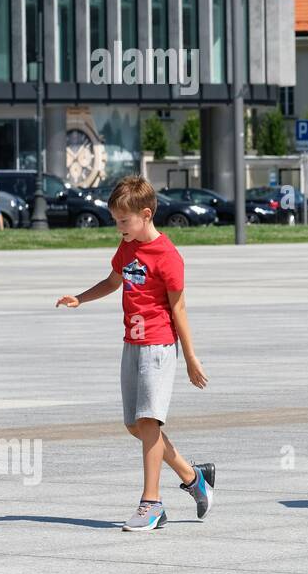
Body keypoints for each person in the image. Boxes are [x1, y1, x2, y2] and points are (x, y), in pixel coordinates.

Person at [55, 176, 214, 531]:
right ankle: (193, 476)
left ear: (145, 214)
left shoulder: (169, 257)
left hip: (158, 346)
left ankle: (151, 503)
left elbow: (180, 310)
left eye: (123, 221)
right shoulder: (127, 248)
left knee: (149, 422)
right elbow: (114, 281)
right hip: (131, 344)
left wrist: (190, 358)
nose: (119, 227)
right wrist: (81, 297)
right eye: (115, 221)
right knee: (136, 426)